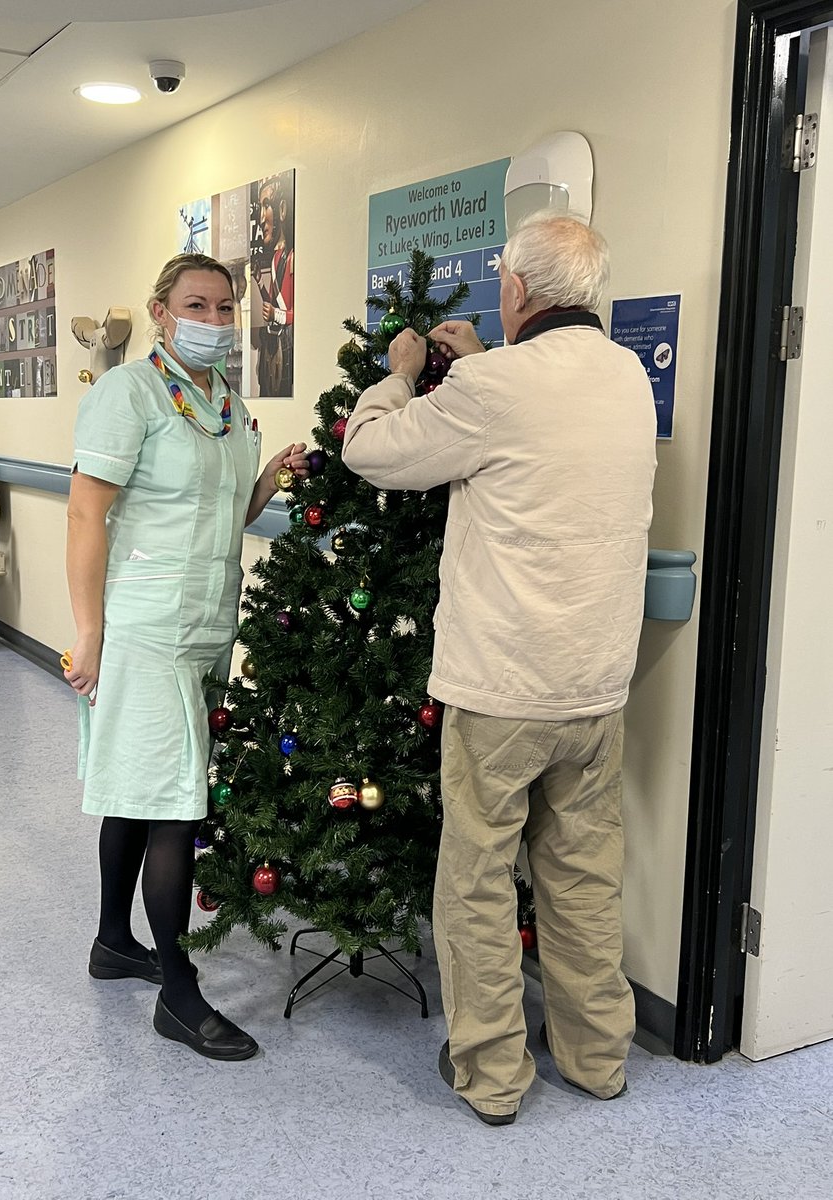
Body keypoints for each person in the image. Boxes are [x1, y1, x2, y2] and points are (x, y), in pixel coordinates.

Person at [341, 212, 657, 1124]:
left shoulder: (492, 387)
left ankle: (491, 1075)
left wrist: (399, 376)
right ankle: (597, 1059)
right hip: (595, 687)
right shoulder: (626, 377)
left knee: (477, 880)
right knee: (583, 876)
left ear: (515, 288)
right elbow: (538, 416)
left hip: (503, 691)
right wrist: (483, 359)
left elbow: (372, 452)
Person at [64, 252, 308, 1060]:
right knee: (175, 800)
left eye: (224, 306)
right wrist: (89, 632)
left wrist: (267, 479)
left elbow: (224, 513)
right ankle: (178, 991)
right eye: (195, 305)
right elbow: (85, 515)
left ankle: (113, 942)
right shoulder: (128, 394)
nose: (213, 320)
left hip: (207, 624)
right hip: (145, 627)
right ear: (161, 313)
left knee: (141, 789)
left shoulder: (228, 404)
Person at [252, 173, 294, 396]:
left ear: (282, 209)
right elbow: (273, 301)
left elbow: (292, 312)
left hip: (284, 341)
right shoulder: (276, 258)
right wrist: (260, 283)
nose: (261, 218)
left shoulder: (292, 258)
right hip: (272, 341)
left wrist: (276, 314)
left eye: (266, 206)